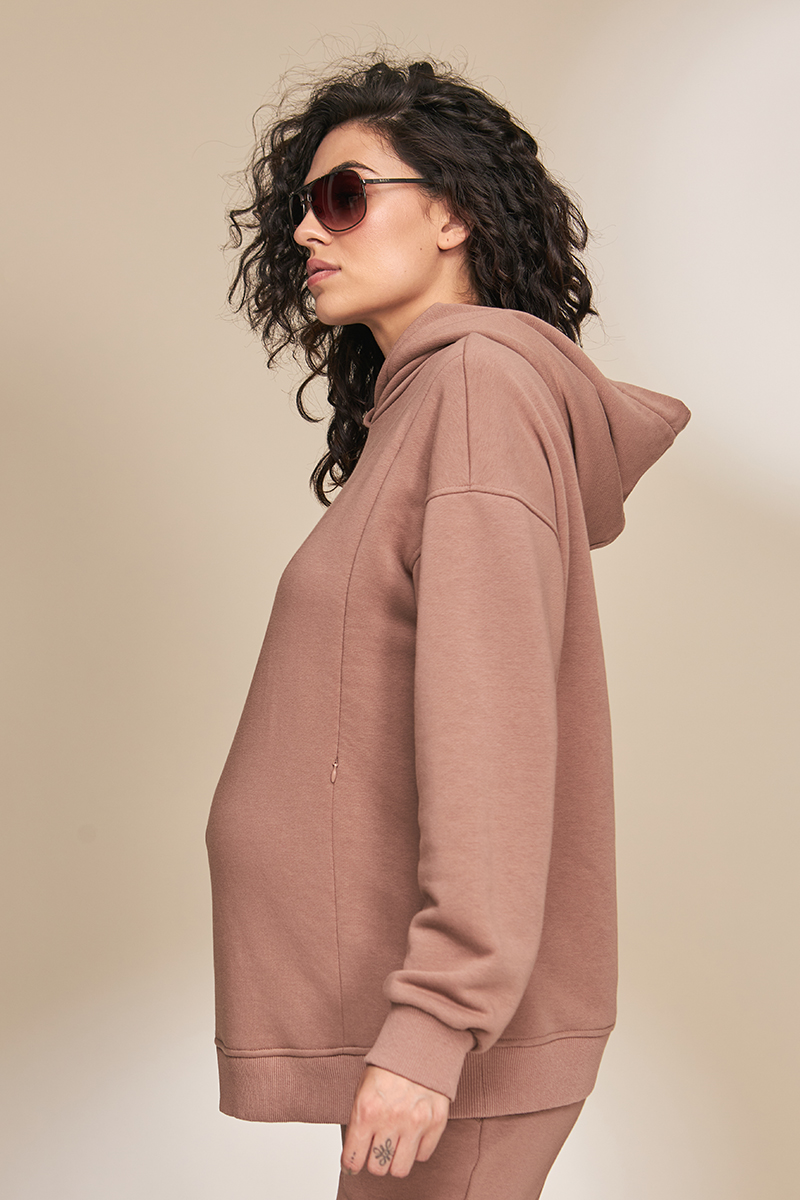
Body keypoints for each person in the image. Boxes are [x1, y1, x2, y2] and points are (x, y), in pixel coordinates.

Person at [205, 55, 690, 1199]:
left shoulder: (476, 393)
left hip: (450, 1048)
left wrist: (434, 1027)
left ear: (452, 214)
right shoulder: (429, 404)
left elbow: (491, 741)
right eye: (300, 207)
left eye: (343, 196)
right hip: (419, 1029)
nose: (306, 231)